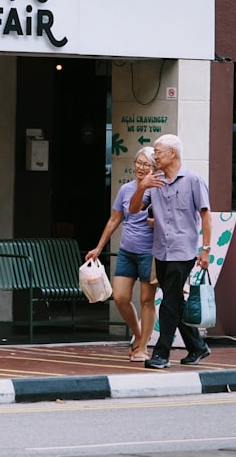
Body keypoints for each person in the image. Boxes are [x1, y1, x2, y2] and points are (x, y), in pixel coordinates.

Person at [128, 134, 212, 370]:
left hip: (183, 251)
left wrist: (205, 249)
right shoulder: (154, 181)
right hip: (160, 251)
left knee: (168, 301)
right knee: (175, 302)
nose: (154, 156)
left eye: (158, 152)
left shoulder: (193, 180)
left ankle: (161, 353)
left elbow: (205, 216)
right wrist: (142, 187)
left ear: (172, 153)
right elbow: (133, 211)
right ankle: (197, 346)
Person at [84, 146, 158, 362]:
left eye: (147, 164)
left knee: (147, 301)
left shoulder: (158, 189)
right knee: (120, 297)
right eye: (139, 163)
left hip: (149, 252)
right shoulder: (126, 189)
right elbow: (115, 219)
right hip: (127, 251)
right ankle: (137, 333)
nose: (141, 168)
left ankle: (143, 347)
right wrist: (98, 247)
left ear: (155, 168)